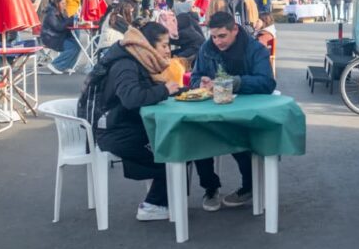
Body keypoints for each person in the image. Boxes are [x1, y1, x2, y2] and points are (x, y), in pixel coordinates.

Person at [91, 23, 182, 221]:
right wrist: (164, 90)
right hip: (115, 132)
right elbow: (131, 98)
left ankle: (166, 199)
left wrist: (177, 91)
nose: (168, 51)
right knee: (175, 150)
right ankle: (153, 205)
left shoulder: (134, 58)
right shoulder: (126, 64)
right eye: (165, 45)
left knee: (177, 143)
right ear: (148, 45)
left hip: (123, 126)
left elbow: (145, 89)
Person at [190, 11, 276, 211]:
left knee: (237, 141)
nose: (217, 41)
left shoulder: (255, 49)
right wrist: (199, 82)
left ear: (235, 30)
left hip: (245, 114)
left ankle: (249, 187)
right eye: (213, 36)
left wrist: (235, 83)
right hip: (213, 111)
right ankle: (210, 188)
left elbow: (267, 83)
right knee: (195, 138)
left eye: (222, 36)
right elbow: (195, 77)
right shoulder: (206, 48)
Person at [41, 0, 81, 74]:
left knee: (77, 46)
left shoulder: (62, 12)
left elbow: (64, 23)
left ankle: (66, 66)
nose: (64, 5)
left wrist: (73, 20)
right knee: (72, 47)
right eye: (62, 3)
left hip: (58, 36)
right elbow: (58, 27)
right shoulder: (51, 13)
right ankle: (55, 65)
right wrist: (70, 20)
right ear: (57, 3)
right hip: (51, 38)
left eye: (65, 3)